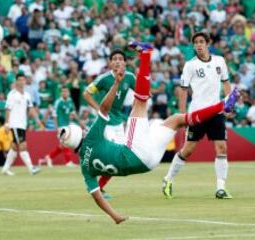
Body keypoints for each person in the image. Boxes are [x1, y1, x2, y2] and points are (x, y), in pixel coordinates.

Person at [58, 42, 240, 224]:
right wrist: (117, 84)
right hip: (134, 152)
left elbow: (97, 197)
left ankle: (222, 105)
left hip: (148, 164)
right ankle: (145, 54)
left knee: (176, 119)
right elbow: (105, 108)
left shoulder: (84, 167)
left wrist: (116, 217)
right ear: (79, 134)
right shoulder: (91, 138)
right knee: (140, 104)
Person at [162, 32, 233, 199]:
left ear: (208, 43)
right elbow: (183, 90)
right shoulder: (190, 65)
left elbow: (226, 83)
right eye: (196, 43)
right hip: (197, 114)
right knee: (188, 150)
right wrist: (182, 115)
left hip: (216, 111)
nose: (199, 45)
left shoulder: (219, 61)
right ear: (194, 46)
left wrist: (228, 104)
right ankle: (168, 179)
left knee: (222, 148)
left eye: (202, 42)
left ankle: (220, 188)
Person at [83, 49, 136, 197]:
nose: (118, 61)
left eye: (120, 59)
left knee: (119, 159)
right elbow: (86, 93)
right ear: (110, 63)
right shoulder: (104, 79)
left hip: (119, 122)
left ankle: (98, 186)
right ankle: (96, 185)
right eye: (114, 59)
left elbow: (142, 93)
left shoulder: (130, 77)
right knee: (112, 156)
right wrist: (98, 108)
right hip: (105, 121)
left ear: (125, 62)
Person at [1, 73, 42, 176]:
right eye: (19, 80)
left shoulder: (27, 95)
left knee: (15, 147)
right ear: (16, 81)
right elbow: (7, 109)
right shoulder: (12, 94)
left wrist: (37, 120)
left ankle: (5, 169)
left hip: (23, 124)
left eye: (23, 80)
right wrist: (6, 123)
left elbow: (31, 108)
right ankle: (31, 168)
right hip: (14, 124)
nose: (21, 82)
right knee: (23, 145)